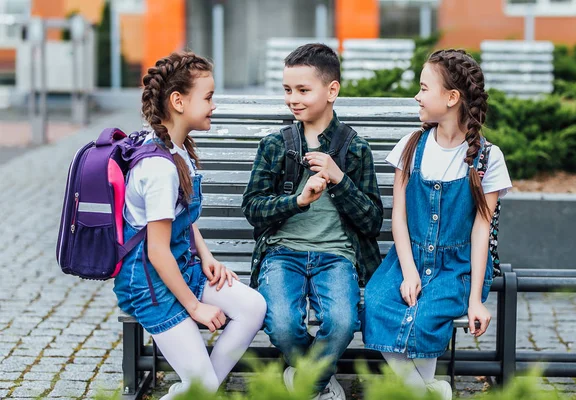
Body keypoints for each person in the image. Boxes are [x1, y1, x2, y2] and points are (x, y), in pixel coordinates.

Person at [113, 52, 266, 400]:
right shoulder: (159, 167)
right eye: (209, 97)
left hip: (182, 267)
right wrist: (195, 307)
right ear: (178, 101)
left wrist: (206, 255)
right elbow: (156, 249)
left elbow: (179, 218)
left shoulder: (177, 150)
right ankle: (201, 388)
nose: (214, 105)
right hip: (151, 284)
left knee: (252, 307)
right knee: (204, 388)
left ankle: (198, 387)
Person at [362, 49, 512, 400]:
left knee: (427, 315)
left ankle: (420, 392)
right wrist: (410, 272)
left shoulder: (488, 157)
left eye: (424, 87)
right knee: (377, 302)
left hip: (456, 267)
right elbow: (398, 216)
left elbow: (481, 231)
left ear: (451, 98)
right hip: (407, 258)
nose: (417, 95)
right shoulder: (411, 147)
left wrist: (475, 299)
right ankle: (425, 391)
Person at [241, 43, 383, 400]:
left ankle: (305, 382)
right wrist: (297, 201)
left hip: (336, 256)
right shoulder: (276, 145)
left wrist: (339, 179)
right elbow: (253, 208)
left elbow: (371, 221)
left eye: (303, 90)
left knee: (342, 323)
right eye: (288, 90)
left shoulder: (354, 149)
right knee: (284, 325)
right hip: (282, 253)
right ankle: (317, 382)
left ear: (332, 90)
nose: (293, 99)